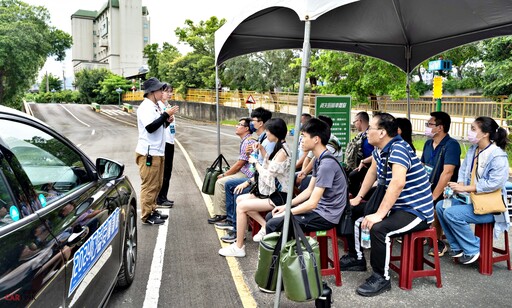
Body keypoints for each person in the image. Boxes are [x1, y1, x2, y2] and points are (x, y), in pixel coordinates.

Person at [344, 112, 433, 297]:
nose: (367, 132)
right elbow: (371, 174)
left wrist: (379, 214)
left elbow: (398, 182)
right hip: (396, 206)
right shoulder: (380, 149)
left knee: (379, 228)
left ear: (383, 132)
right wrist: (358, 198)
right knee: (351, 211)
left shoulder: (399, 148)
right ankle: (356, 258)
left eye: (371, 129)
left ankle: (381, 278)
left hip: (415, 210)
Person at [436, 116, 510, 264]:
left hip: (489, 208)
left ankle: (473, 248)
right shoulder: (473, 150)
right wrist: (456, 189)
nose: (469, 132)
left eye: (473, 129)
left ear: (485, 134)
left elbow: (494, 183)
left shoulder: (497, 155)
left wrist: (465, 188)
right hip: (471, 201)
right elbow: (463, 172)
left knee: (451, 213)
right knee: (441, 206)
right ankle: (458, 247)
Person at [218, 118, 291, 257]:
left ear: (274, 132)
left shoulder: (282, 152)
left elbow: (268, 176)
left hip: (280, 197)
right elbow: (270, 165)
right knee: (240, 199)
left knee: (241, 207)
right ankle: (265, 226)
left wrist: (255, 162)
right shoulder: (279, 147)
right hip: (274, 193)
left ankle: (239, 247)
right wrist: (262, 150)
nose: (266, 134)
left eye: (268, 131)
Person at [265, 118, 347, 237]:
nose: (301, 141)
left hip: (326, 216)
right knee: (271, 216)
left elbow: (312, 203)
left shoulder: (326, 165)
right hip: (319, 209)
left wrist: (287, 212)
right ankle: (289, 252)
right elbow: (309, 191)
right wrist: (286, 206)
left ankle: (282, 255)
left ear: (316, 139)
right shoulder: (318, 160)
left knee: (274, 224)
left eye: (304, 136)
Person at [216, 107, 275, 238]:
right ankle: (233, 223)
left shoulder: (267, 141)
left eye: (253, 120)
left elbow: (265, 166)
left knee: (235, 190)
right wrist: (253, 152)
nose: (251, 123)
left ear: (260, 123)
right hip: (257, 178)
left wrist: (248, 180)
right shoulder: (261, 138)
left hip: (263, 183)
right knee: (230, 185)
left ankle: (237, 231)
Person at [136, 77, 177, 225]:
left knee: (157, 184)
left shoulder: (154, 106)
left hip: (157, 151)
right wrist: (165, 116)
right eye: (160, 90)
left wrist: (166, 121)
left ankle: (152, 209)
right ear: (152, 92)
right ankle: (147, 216)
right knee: (149, 185)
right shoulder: (146, 107)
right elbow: (150, 128)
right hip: (149, 152)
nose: (162, 92)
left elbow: (158, 127)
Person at [420, 112, 460, 256]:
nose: (427, 127)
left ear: (440, 127)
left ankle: (438, 242)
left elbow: (447, 172)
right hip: (428, 184)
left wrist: (434, 196)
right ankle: (422, 234)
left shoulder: (451, 145)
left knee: (436, 207)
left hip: (447, 190)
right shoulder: (428, 143)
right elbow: (422, 164)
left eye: (430, 124)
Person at [207, 118, 257, 224]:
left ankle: (223, 214)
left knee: (221, 182)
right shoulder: (246, 140)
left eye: (239, 125)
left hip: (247, 175)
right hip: (244, 172)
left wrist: (225, 174)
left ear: (246, 128)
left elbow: (240, 164)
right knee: (223, 180)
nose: (236, 126)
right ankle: (225, 213)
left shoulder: (249, 142)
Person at [295, 115, 341, 192]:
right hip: (317, 174)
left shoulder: (333, 142)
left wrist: (304, 173)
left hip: (329, 179)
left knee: (304, 183)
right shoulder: (318, 156)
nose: (302, 140)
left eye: (304, 136)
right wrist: (303, 172)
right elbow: (308, 158)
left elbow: (313, 201)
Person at [156, 84, 176, 208]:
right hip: (165, 143)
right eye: (166, 91)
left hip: (170, 141)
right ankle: (160, 198)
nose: (169, 94)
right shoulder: (159, 107)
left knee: (168, 171)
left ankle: (164, 196)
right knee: (164, 171)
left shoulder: (167, 106)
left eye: (170, 92)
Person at [347, 111, 373, 197]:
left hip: (370, 165)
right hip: (360, 163)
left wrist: (364, 161)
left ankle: (357, 196)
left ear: (360, 121)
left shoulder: (371, 135)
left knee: (353, 175)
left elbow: (377, 153)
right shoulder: (360, 135)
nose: (354, 124)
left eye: (355, 122)